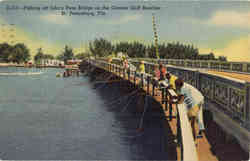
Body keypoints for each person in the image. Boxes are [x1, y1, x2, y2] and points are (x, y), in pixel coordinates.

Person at [175, 78, 205, 143]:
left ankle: (185, 139)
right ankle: (193, 140)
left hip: (192, 108)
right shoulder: (184, 87)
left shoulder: (182, 89)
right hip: (194, 106)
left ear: (178, 85)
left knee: (189, 124)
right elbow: (180, 98)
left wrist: (174, 102)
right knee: (191, 124)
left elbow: (180, 101)